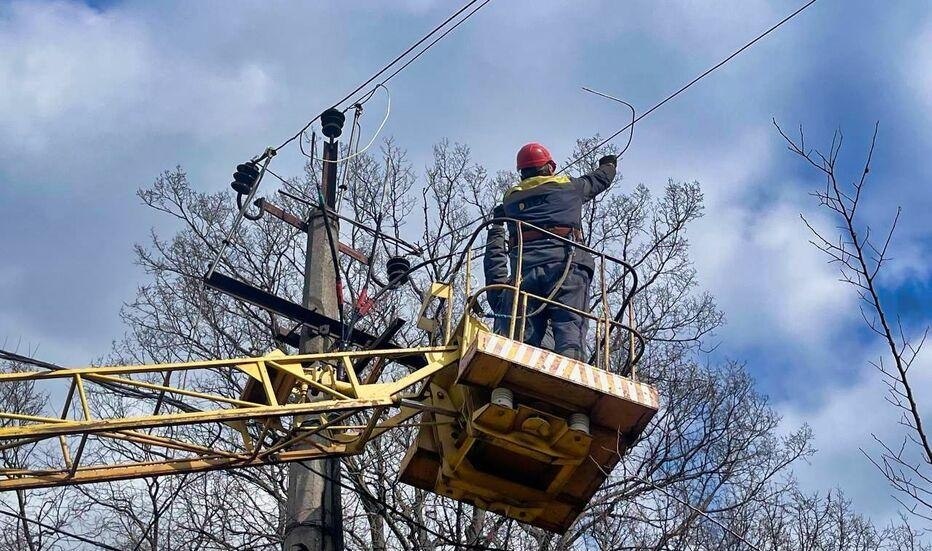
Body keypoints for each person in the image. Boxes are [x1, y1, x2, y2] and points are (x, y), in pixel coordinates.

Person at [501, 142, 617, 360]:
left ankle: (520, 370)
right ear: (550, 167)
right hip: (566, 268)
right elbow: (599, 180)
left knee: (525, 337)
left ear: (522, 172)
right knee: (570, 327)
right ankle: (571, 367)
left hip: (525, 274)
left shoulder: (510, 200)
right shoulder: (569, 187)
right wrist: (609, 165)